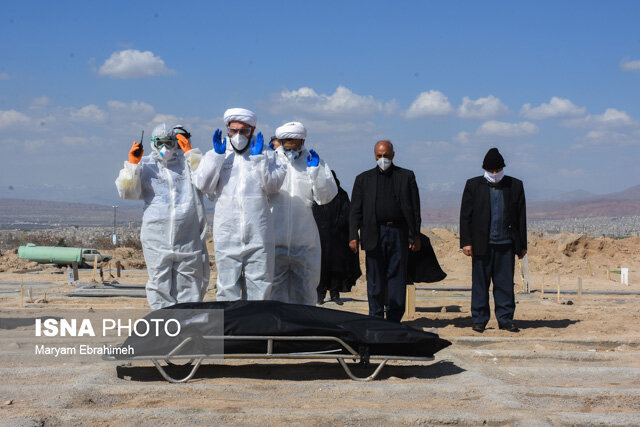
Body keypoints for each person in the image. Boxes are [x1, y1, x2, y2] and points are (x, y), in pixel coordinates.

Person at [191, 108, 286, 301]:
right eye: (234, 130)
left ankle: (256, 329)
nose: (238, 135)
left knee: (259, 285)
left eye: (244, 131)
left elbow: (273, 186)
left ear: (253, 129)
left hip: (258, 231)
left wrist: (259, 160)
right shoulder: (216, 154)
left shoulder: (267, 154)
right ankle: (229, 328)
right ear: (227, 128)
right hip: (227, 231)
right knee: (227, 286)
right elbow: (203, 185)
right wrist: (217, 159)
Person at [115, 123, 210, 309]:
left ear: (175, 142)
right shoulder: (147, 166)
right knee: (159, 284)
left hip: (187, 237)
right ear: (152, 144)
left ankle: (187, 329)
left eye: (167, 142)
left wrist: (191, 154)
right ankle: (164, 330)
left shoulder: (186, 165)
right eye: (159, 143)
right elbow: (127, 193)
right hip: (156, 238)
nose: (164, 148)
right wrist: (132, 165)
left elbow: (206, 180)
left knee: (190, 285)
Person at [349, 140, 422, 322]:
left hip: (398, 233)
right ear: (374, 156)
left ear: (393, 155)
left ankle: (394, 318)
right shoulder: (363, 179)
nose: (383, 159)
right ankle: (375, 316)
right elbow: (355, 211)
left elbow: (414, 209)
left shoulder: (406, 176)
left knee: (397, 277)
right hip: (373, 233)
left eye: (386, 155)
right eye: (379, 156)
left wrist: (416, 234)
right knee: (375, 277)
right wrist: (353, 236)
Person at [269, 121, 338, 305]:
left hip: (304, 241)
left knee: (306, 291)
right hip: (275, 240)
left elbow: (326, 197)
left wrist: (316, 172)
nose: (292, 151)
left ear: (302, 141)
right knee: (274, 292)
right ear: (281, 142)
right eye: (287, 146)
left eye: (296, 146)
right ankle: (278, 331)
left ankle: (304, 331)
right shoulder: (271, 160)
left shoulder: (313, 161)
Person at [460, 147, 527, 333]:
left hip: (506, 244)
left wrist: (522, 245)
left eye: (498, 170)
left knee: (505, 284)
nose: (495, 174)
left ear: (503, 168)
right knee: (480, 284)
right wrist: (466, 242)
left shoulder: (515, 185)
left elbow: (521, 217)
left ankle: (505, 319)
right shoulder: (473, 185)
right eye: (491, 171)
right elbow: (465, 216)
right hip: (482, 244)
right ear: (485, 170)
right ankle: (479, 319)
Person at [312, 170, 361, 305]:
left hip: (338, 238)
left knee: (337, 267)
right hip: (320, 238)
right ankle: (319, 295)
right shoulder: (317, 194)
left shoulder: (342, 195)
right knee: (321, 266)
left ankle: (335, 294)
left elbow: (348, 214)